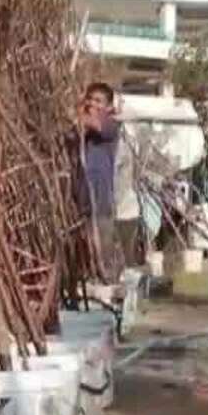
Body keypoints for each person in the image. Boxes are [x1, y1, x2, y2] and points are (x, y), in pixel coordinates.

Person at [77, 82, 123, 284]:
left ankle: (110, 285)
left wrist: (80, 112)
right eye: (91, 99)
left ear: (108, 106)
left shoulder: (111, 124)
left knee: (104, 246)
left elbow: (96, 125)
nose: (93, 104)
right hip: (83, 196)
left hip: (102, 197)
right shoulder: (84, 131)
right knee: (85, 247)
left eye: (99, 101)